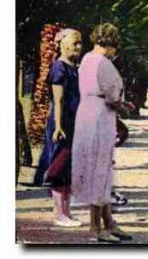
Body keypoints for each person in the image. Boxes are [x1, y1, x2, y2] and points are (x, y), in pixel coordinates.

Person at [71, 23, 133, 242]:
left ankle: (109, 222)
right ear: (110, 44)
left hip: (86, 112)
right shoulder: (103, 64)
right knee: (100, 167)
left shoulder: (86, 59)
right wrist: (124, 105)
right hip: (101, 115)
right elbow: (112, 97)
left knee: (95, 166)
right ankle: (96, 227)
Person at [33, 28, 83, 227]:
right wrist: (58, 126)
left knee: (68, 168)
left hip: (73, 123)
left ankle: (67, 212)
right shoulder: (59, 67)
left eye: (80, 43)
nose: (78, 47)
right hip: (61, 124)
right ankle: (59, 213)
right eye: (75, 43)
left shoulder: (73, 67)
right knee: (58, 167)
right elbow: (58, 99)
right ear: (63, 44)